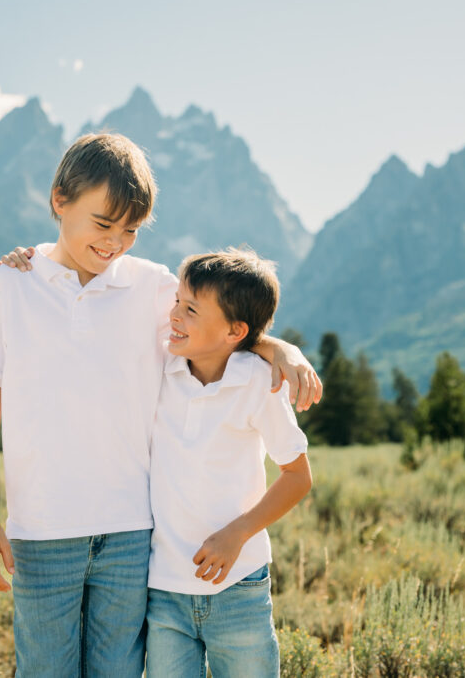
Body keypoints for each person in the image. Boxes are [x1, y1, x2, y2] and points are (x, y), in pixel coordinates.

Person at [0, 133, 320, 676]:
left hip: (132, 536)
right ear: (59, 200)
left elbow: (217, 321)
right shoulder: (9, 285)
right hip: (40, 533)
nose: (114, 243)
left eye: (129, 230)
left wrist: (277, 346)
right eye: (103, 225)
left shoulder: (152, 286)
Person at [145, 249, 311, 677]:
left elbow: (297, 477)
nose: (175, 316)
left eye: (191, 310)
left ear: (235, 331)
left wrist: (237, 533)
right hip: (163, 590)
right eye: (177, 303)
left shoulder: (261, 383)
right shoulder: (159, 368)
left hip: (239, 587)